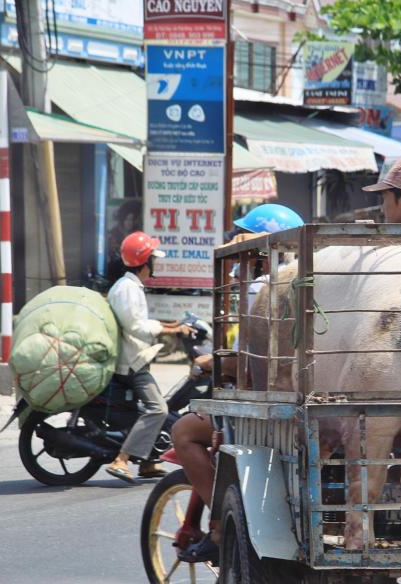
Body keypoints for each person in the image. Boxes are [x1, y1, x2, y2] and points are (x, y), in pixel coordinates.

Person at [172, 203, 304, 563]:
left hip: (264, 406)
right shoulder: (309, 282)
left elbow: (245, 360)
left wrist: (209, 362)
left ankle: (218, 524)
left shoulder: (260, 286)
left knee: (184, 431)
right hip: (303, 399)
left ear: (260, 252)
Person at [104, 232, 194, 484]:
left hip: (135, 356)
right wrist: (172, 329)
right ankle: (121, 459)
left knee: (151, 407)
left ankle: (148, 460)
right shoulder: (127, 289)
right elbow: (136, 327)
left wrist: (171, 324)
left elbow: (139, 322)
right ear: (145, 262)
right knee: (158, 409)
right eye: (153, 258)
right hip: (132, 363)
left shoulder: (130, 287)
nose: (155, 263)